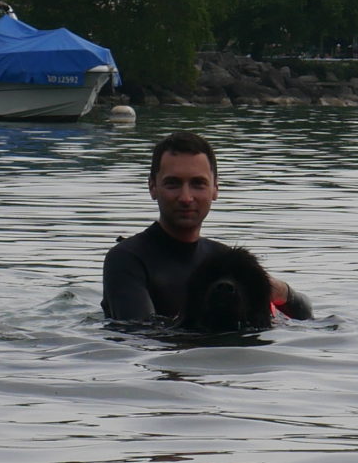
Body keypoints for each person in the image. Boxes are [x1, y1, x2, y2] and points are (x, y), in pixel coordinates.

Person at [103, 131, 309, 322]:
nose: (186, 198)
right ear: (152, 187)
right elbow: (139, 335)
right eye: (173, 184)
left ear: (215, 189)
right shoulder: (127, 259)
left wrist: (280, 291)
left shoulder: (227, 260)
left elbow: (306, 318)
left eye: (198, 184)